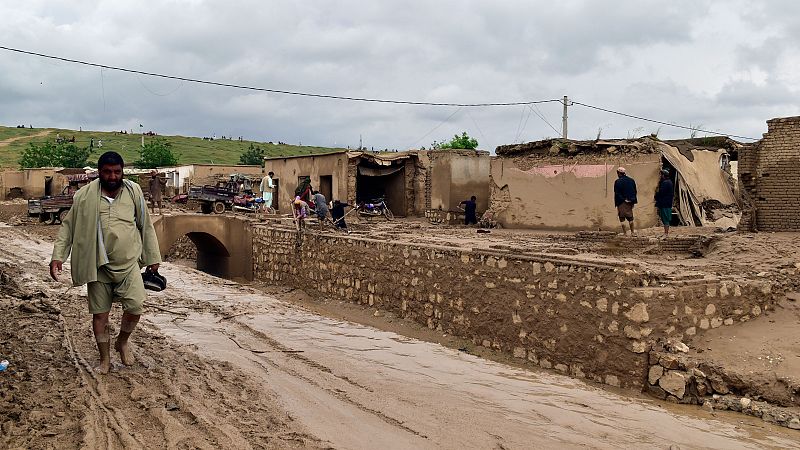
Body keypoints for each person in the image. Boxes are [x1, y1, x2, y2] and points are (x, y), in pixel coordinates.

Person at [50, 151, 161, 374]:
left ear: (123, 172)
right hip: (97, 264)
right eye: (107, 172)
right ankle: (105, 359)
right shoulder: (84, 197)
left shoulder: (133, 192)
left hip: (129, 263)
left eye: (117, 172)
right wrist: (58, 256)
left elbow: (145, 225)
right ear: (99, 173)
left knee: (136, 306)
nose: (112, 176)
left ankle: (122, 341)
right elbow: (69, 227)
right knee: (100, 314)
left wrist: (153, 257)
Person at [613, 167, 637, 236]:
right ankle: (632, 232)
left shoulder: (617, 182)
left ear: (619, 173)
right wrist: (632, 201)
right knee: (630, 217)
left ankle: (625, 233)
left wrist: (623, 199)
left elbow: (617, 193)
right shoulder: (631, 180)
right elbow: (634, 191)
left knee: (622, 218)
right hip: (630, 202)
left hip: (621, 202)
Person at [655, 169, 675, 237]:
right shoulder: (668, 182)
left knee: (665, 218)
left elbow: (661, 193)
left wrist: (656, 194)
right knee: (664, 218)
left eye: (661, 175)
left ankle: (666, 233)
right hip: (666, 203)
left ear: (663, 175)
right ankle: (665, 233)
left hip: (665, 203)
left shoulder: (666, 183)